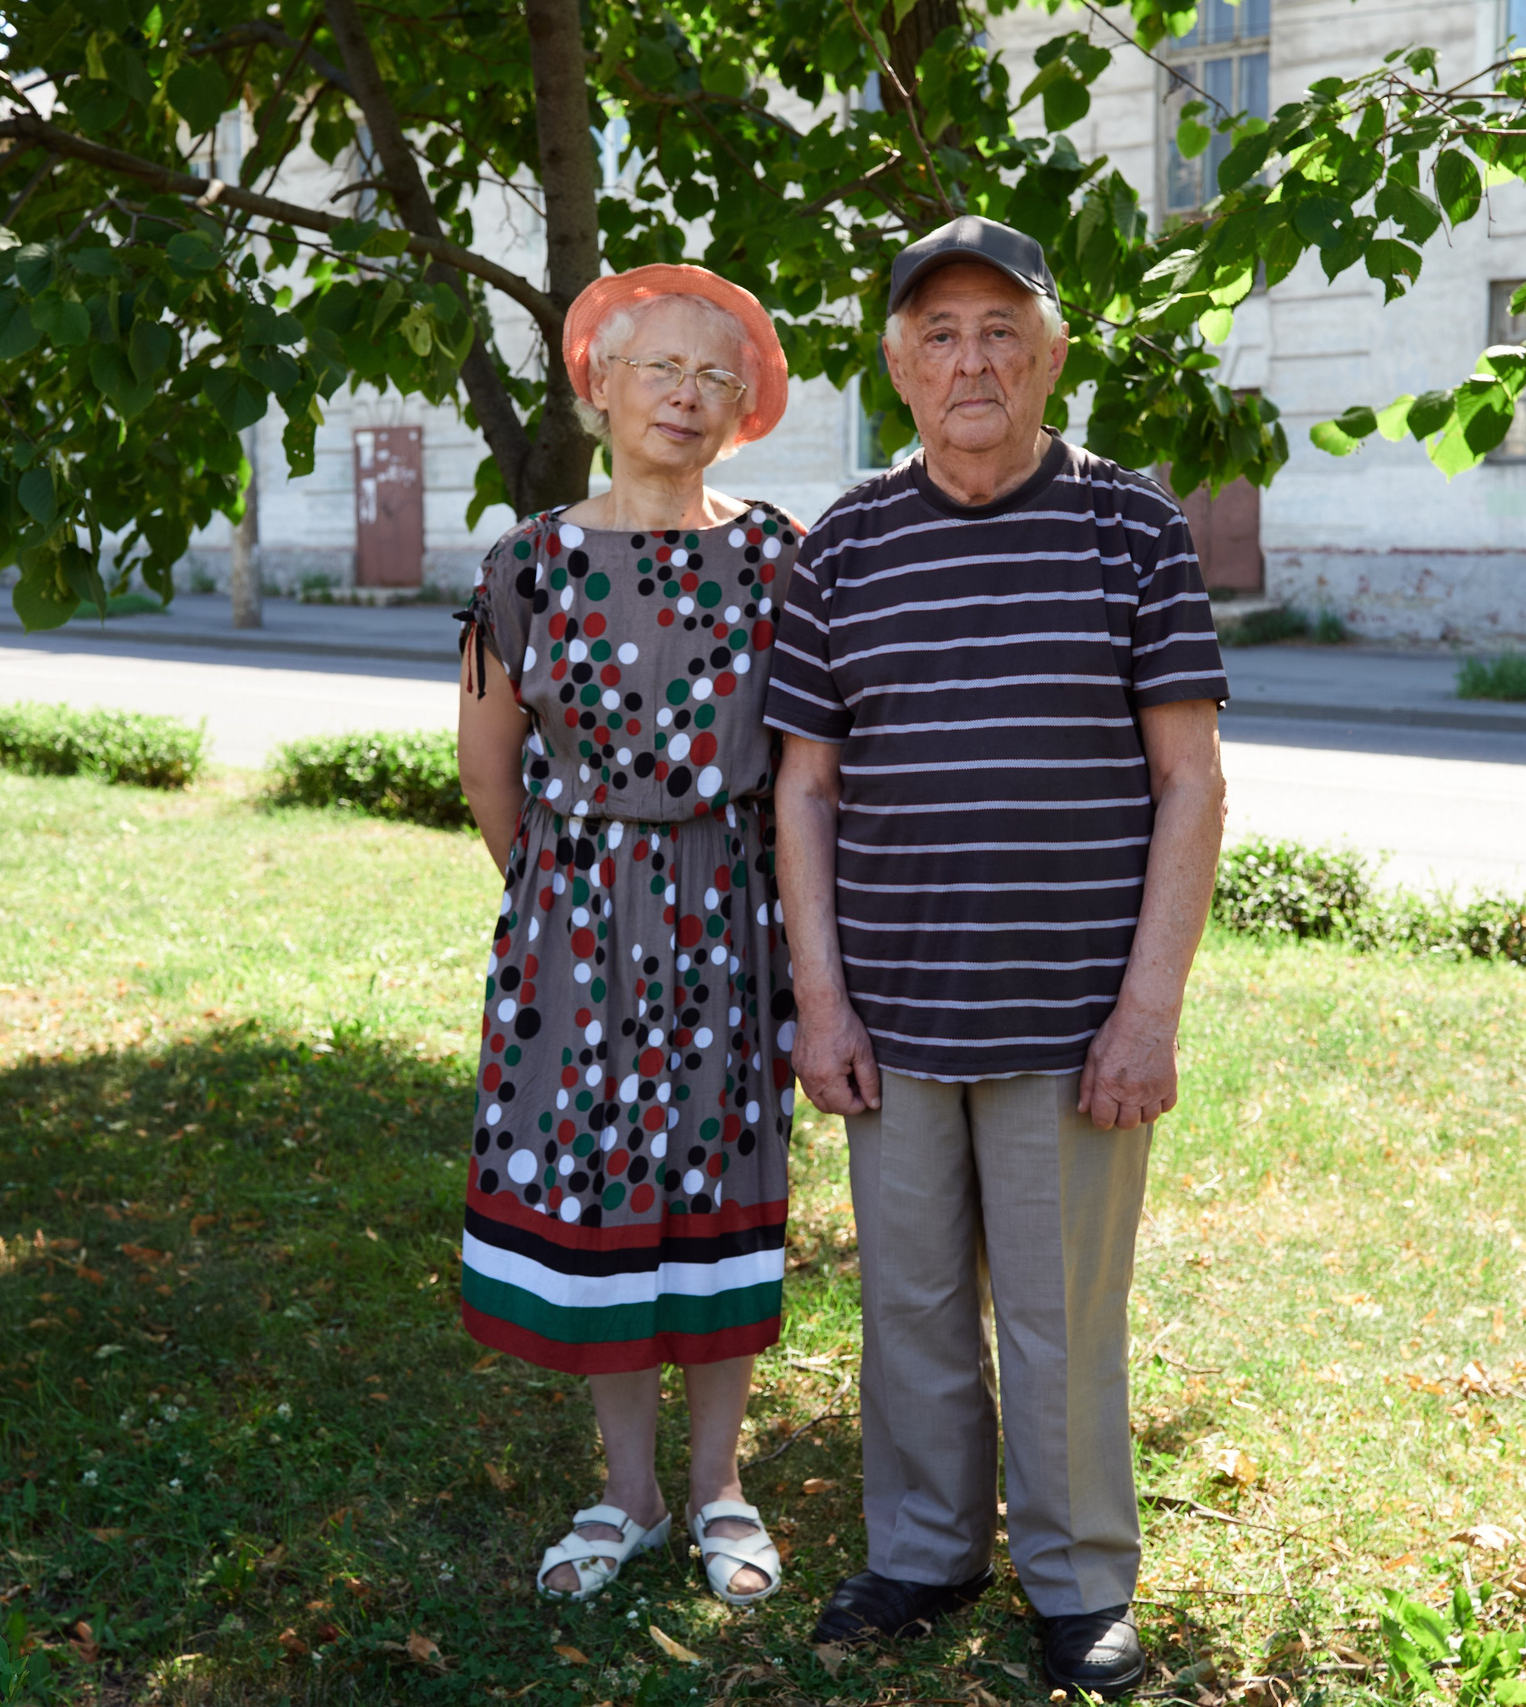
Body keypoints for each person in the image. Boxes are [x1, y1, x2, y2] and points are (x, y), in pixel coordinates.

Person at [764, 216, 1230, 1695]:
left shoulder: (1134, 529)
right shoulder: (842, 544)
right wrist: (819, 1001)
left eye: (1000, 330)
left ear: (1053, 353)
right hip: (891, 1017)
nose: (972, 359)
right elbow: (805, 790)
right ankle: (921, 1551)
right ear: (899, 365)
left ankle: (1079, 1582)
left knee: (1059, 1314)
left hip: (1073, 1015)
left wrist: (1147, 1010)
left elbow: (1191, 781)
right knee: (904, 1307)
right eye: (940, 334)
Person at [455, 264, 803, 1609]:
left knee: (720, 1194)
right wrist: (573, 894)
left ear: (742, 409)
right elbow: (491, 771)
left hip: (733, 920)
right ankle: (629, 1496)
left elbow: (812, 761)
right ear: (598, 382)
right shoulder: (523, 566)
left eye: (716, 377)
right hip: (575, 924)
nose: (686, 395)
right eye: (660, 368)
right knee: (605, 1195)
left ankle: (721, 1488)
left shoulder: (781, 557)